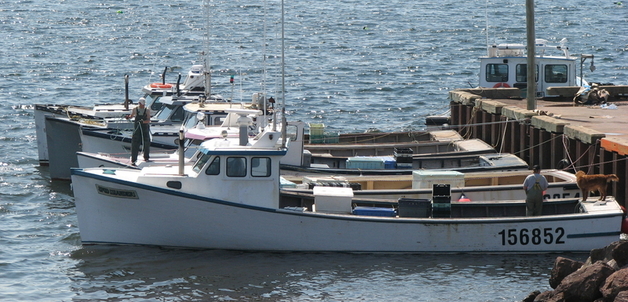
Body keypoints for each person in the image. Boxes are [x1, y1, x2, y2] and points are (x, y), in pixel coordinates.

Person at [126, 98, 151, 165]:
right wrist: (128, 117)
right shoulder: (135, 109)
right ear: (139, 103)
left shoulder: (147, 110)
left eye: (143, 104)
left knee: (146, 143)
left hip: (145, 129)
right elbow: (131, 116)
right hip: (137, 129)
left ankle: (146, 157)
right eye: (141, 104)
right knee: (135, 143)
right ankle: (133, 160)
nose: (142, 105)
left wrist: (144, 122)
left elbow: (148, 120)